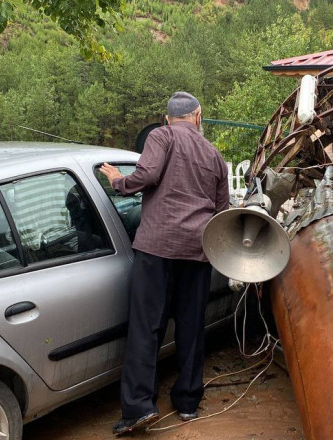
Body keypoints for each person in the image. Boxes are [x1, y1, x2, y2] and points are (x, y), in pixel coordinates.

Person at [98, 92, 229, 436]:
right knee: (190, 327)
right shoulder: (215, 155)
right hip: (198, 252)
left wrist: (117, 181)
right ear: (198, 116)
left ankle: (139, 409)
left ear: (167, 118)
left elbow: (147, 174)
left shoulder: (161, 136)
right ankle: (187, 402)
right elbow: (222, 212)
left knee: (146, 328)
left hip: (157, 249)